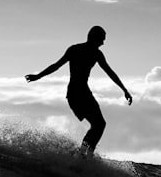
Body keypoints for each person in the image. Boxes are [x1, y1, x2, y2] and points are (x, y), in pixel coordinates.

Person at [25, 25, 132, 157]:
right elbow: (56, 66)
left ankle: (85, 155)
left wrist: (124, 90)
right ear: (94, 38)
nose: (103, 43)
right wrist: (38, 76)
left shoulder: (91, 52)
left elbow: (110, 72)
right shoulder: (79, 50)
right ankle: (84, 155)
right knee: (99, 124)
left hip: (82, 92)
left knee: (98, 125)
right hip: (76, 93)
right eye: (102, 39)